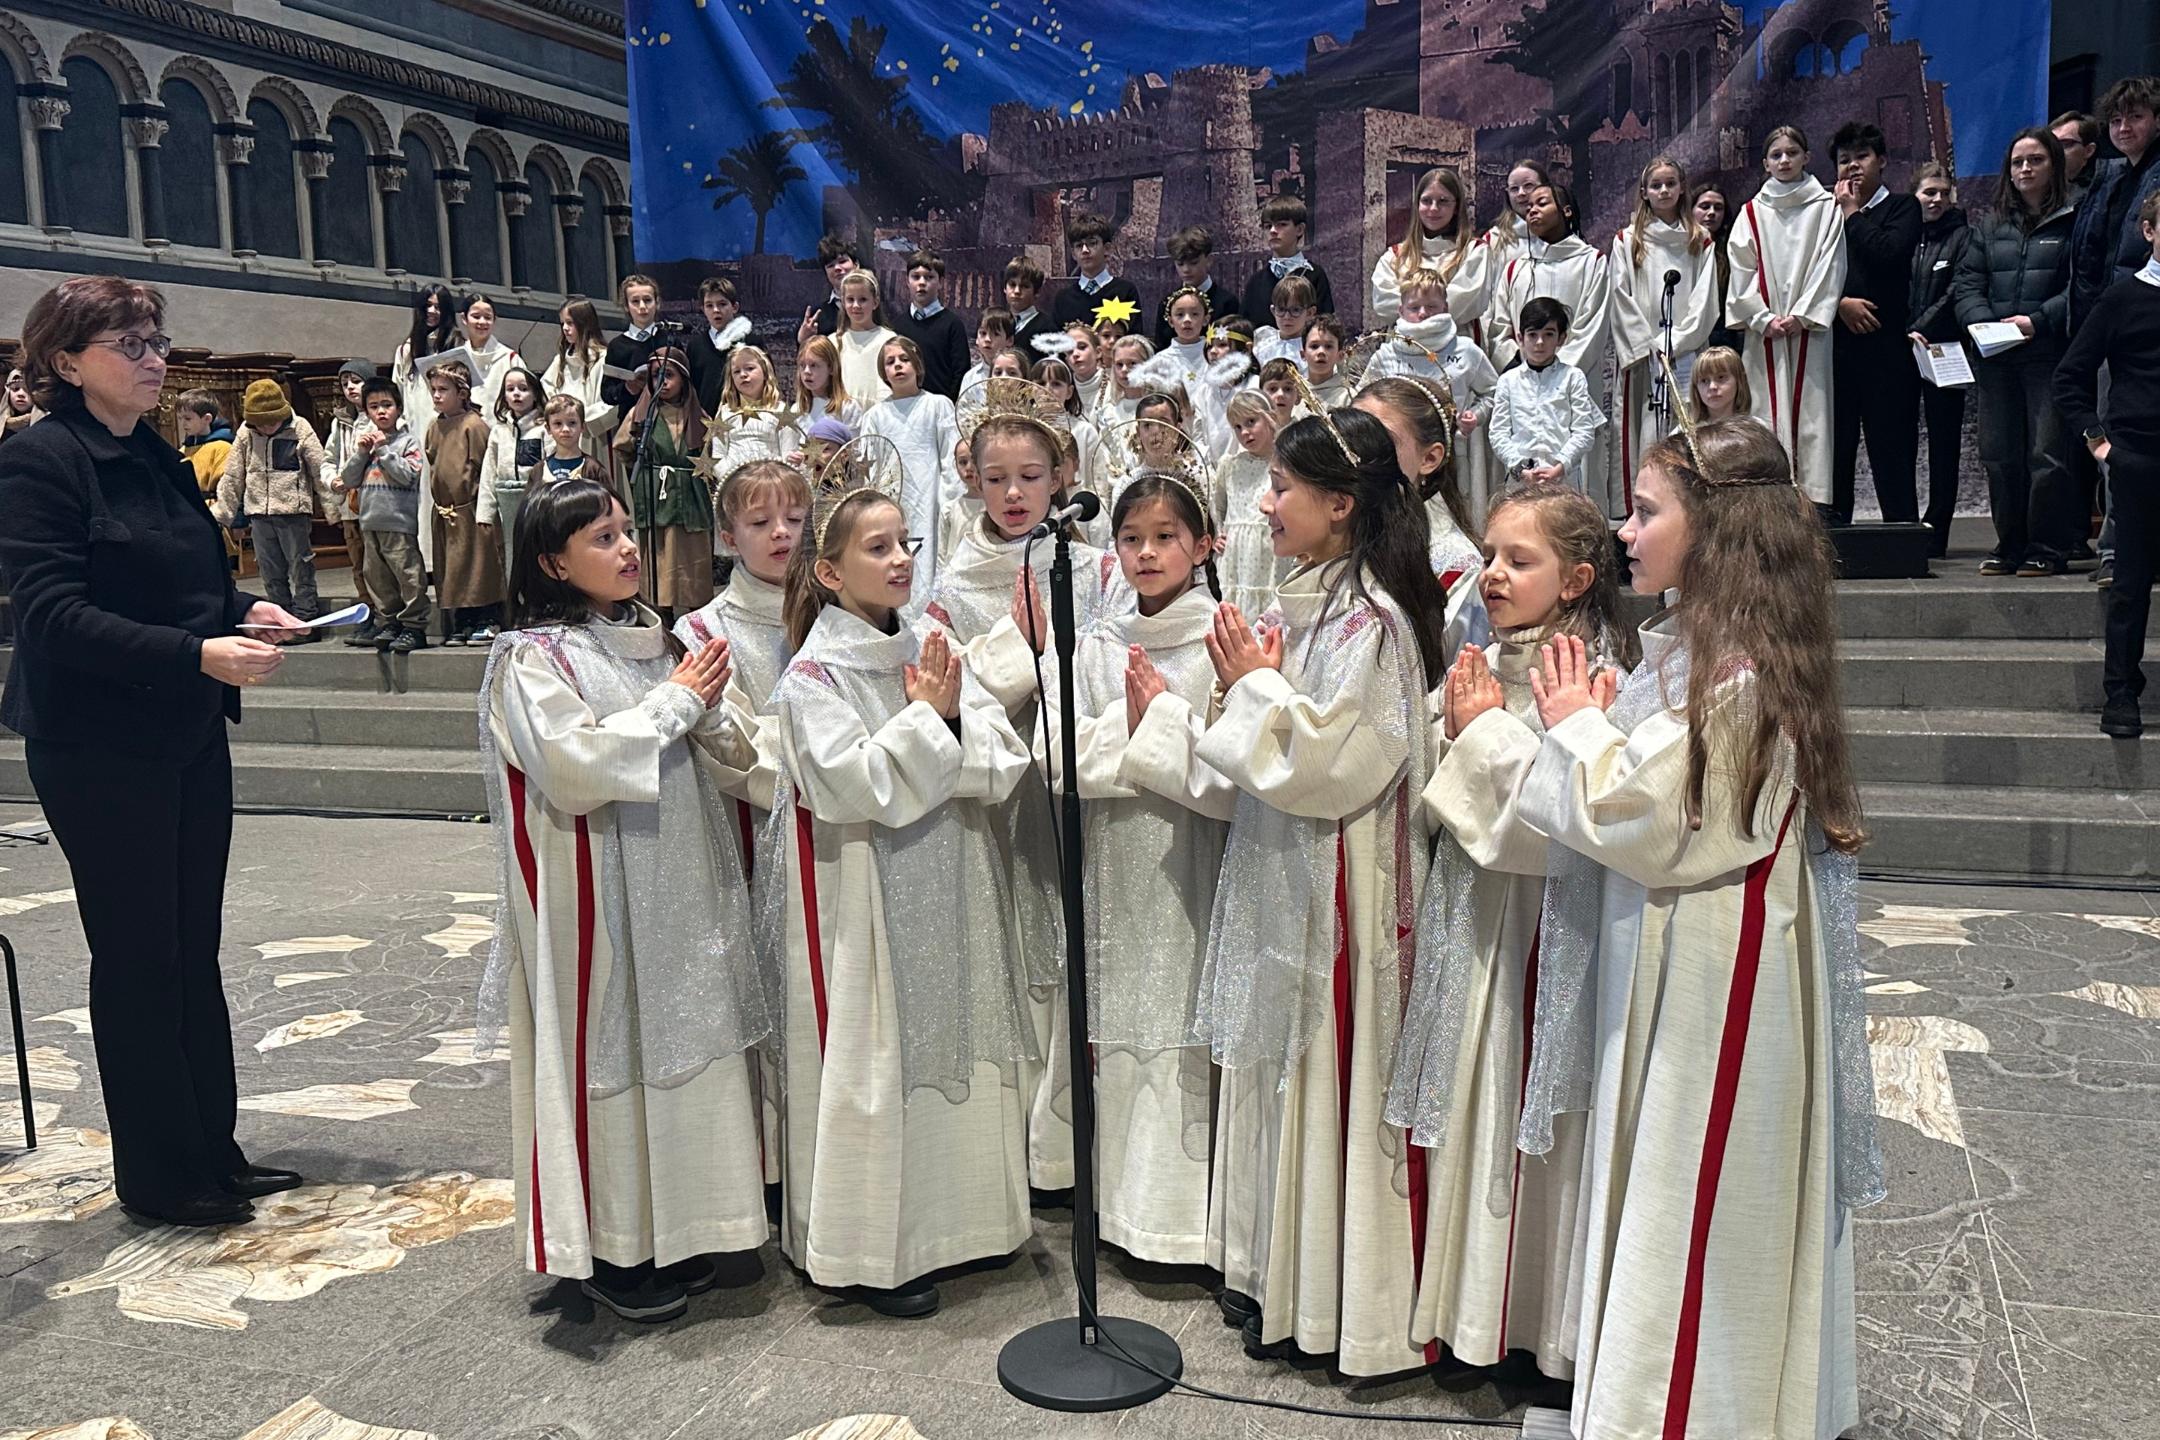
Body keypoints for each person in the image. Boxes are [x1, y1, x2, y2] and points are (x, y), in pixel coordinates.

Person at [1521, 417, 1880, 1440]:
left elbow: (1668, 826)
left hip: (1719, 969)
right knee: (1661, 1173)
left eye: (1646, 511)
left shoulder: (1743, 676)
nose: (1626, 532)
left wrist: (1574, 726)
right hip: (1681, 949)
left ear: (1717, 530)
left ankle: (1683, 1417)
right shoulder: (1695, 650)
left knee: (1698, 1187)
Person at [0, 275, 307, 1229]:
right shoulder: (41, 462)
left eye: (156, 340)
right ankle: (160, 1174)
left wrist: (235, 611)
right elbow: (51, 617)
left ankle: (211, 1148)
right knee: (138, 956)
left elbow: (177, 584)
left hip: (181, 729)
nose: (153, 357)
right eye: (129, 343)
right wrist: (196, 652)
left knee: (191, 948)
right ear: (65, 361)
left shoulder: (162, 457)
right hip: (96, 746)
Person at [479, 477, 773, 1323]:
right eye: (602, 539)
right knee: (610, 1053)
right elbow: (574, 769)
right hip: (596, 890)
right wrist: (681, 700)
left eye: (625, 530)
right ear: (551, 562)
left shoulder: (656, 640)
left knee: (682, 1043)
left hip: (678, 880)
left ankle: (686, 1225)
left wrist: (708, 712)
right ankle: (610, 1246)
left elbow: (719, 751)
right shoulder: (531, 657)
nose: (628, 548)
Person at [1194, 405, 1447, 1376]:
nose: (1266, 503)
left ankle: (1340, 1302)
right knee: (1279, 1066)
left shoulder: (1374, 623)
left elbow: (1334, 762)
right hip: (1286, 870)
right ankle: (1272, 1271)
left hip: (1345, 884)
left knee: (1329, 1070)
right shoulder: (1315, 602)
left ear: (1340, 506)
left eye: (1283, 488)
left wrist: (1254, 689)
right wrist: (1243, 690)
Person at [768, 476, 1034, 1319]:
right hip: (868, 900)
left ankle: (966, 1227)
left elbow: (1000, 753)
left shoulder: (930, 644)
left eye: (905, 543)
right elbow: (853, 787)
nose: (899, 561)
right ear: (832, 571)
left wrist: (943, 727)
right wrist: (930, 725)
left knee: (954, 1041)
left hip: (953, 872)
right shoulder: (814, 675)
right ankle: (874, 1250)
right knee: (879, 1055)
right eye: (877, 548)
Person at [1388, 480, 1633, 1381]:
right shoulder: (1493, 649)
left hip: (1540, 926)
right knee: (1472, 1094)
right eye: (1490, 555)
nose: (1491, 574)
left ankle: (1527, 1323)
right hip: (1477, 913)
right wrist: (1457, 729)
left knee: (1522, 1108)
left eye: (1517, 561)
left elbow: (1557, 824)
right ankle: (1467, 1311)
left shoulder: (1592, 674)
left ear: (1574, 579)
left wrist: (1480, 732)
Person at [923, 405, 1121, 1199]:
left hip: (1084, 781)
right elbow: (947, 689)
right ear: (969, 478)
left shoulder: (1097, 568)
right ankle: (1021, 1152)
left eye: (1031, 478)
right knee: (1016, 947)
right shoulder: (951, 584)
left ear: (1062, 478)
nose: (1013, 495)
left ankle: (1077, 1142)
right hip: (998, 791)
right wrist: (1013, 659)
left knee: (1076, 944)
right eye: (996, 478)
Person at [1059, 473, 1235, 1264]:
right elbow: (1055, 753)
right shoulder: (1096, 642)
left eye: (1166, 537)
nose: (1147, 552)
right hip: (1118, 859)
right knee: (1124, 1023)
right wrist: (1143, 737)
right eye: (1131, 538)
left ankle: (1192, 1222)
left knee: (1189, 1022)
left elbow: (1235, 768)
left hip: (1197, 860)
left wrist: (1160, 728)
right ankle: (1127, 1213)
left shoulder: (1226, 636)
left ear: (1203, 546)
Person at [2055, 189, 2160, 737]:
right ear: (2149, 232)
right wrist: (2101, 444)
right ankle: (2121, 692)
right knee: (2131, 582)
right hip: (2139, 458)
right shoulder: (2121, 299)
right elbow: (2069, 379)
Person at [1955, 127, 2079, 577]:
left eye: (2035, 160)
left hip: (2047, 354)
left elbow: (2081, 288)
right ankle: (2009, 546)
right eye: (2017, 162)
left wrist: (2037, 321)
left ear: (2054, 166)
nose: (2025, 169)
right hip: (1997, 358)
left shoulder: (2075, 217)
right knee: (1998, 455)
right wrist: (1982, 321)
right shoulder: (1990, 225)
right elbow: (1967, 285)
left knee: (2046, 455)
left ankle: (2047, 547)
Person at [1727, 126, 1848, 509]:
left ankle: (1810, 507)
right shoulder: (1751, 212)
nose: (1784, 161)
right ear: (1765, 163)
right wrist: (1763, 318)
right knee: (1762, 414)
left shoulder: (1826, 208)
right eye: (1776, 155)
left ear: (1806, 157)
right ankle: (1766, 503)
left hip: (1808, 331)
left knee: (1810, 416)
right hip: (1765, 332)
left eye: (1791, 153)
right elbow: (1741, 269)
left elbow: (1831, 265)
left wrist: (1802, 315)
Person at [1496, 183, 1616, 512]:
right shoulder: (1515, 268)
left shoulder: (1591, 262)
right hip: (1522, 380)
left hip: (1574, 380)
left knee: (1577, 488)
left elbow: (1592, 324)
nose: (1531, 209)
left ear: (1566, 211)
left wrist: (1555, 368)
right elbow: (1499, 325)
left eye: (1542, 203)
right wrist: (1524, 363)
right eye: (1528, 205)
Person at [1828, 121, 1924, 527]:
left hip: (1887, 350)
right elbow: (1808, 274)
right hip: (1837, 350)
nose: (1852, 168)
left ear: (1881, 161)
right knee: (1836, 451)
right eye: (1844, 161)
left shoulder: (1903, 207)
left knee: (1892, 449)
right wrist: (1838, 304)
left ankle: (1902, 535)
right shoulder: (1823, 215)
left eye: (1861, 158)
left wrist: (1852, 212)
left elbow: (1888, 254)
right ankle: (1834, 540)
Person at [1356, 376, 1487, 656]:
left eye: (1381, 440)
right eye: (1349, 435)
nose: (1355, 452)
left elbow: (1458, 683)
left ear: (1429, 459)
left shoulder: (1456, 566)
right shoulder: (1337, 532)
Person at [1611, 157, 1717, 491]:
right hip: (1644, 357)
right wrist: (1650, 344)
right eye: (1656, 185)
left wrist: (1678, 341)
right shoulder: (1628, 240)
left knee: (1686, 428)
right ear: (1644, 192)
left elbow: (1705, 298)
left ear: (1682, 187)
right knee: (1641, 431)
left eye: (1670, 183)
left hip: (1685, 354)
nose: (1664, 190)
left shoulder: (1699, 239)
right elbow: (1619, 295)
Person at [1358, 268, 1498, 518]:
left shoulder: (1466, 351)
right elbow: (1360, 402)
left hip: (1450, 456)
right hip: (1394, 457)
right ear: (1400, 311)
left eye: (1431, 307)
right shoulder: (1385, 355)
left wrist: (1475, 416)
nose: (1423, 314)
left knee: (1449, 518)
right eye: (1415, 307)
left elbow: (1494, 392)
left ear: (1445, 307)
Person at [211, 378, 333, 635]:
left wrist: (332, 507)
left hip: (293, 513)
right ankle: (281, 618)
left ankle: (306, 620)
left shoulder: (300, 428)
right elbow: (234, 474)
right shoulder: (246, 433)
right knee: (269, 569)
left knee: (300, 566)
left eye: (272, 422)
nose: (266, 428)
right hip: (258, 514)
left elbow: (320, 469)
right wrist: (223, 513)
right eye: (261, 423)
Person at [610, 345, 714, 617]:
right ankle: (662, 618)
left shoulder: (700, 417)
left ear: (683, 379)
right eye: (657, 375)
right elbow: (622, 447)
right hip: (655, 494)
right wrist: (648, 472)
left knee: (692, 562)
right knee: (659, 562)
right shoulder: (642, 414)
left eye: (669, 375)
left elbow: (713, 454)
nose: (662, 382)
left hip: (691, 496)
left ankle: (697, 620)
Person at [1906, 163, 1975, 557]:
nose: (1936, 199)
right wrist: (1904, 330)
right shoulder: (1905, 236)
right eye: (1928, 191)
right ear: (1914, 194)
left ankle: (1937, 530)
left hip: (1944, 349)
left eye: (1942, 192)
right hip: (1902, 348)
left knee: (1944, 444)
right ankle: (1903, 524)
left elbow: (1958, 289)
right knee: (1902, 442)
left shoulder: (1964, 237)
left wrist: (1922, 327)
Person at [860, 336, 960, 602]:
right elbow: (869, 467)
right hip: (892, 504)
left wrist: (950, 502)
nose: (898, 366)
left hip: (930, 501)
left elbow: (951, 458)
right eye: (890, 362)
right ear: (884, 373)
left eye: (904, 359)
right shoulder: (875, 416)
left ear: (917, 365)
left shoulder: (938, 405)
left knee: (929, 564)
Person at [336, 375, 430, 654]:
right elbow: (349, 479)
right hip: (369, 522)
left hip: (398, 523)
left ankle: (414, 626)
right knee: (377, 577)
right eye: (374, 406)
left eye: (387, 405)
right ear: (366, 411)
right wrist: (361, 453)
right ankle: (389, 621)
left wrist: (383, 449)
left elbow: (406, 475)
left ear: (398, 409)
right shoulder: (366, 446)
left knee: (408, 575)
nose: (381, 411)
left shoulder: (407, 442)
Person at [421, 356, 504, 644]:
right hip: (446, 512)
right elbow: (434, 461)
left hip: (470, 510)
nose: (436, 395)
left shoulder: (474, 425)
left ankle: (486, 617)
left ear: (462, 393)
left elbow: (486, 468)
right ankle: (462, 620)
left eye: (443, 390)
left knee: (478, 566)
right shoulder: (434, 426)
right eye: (433, 390)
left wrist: (484, 509)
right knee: (453, 569)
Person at [1489, 297, 1604, 496]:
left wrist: (1560, 466)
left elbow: (1584, 431)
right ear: (1520, 338)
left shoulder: (1573, 377)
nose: (1540, 342)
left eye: (1548, 334)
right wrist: (1520, 469)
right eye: (1532, 334)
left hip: (1563, 480)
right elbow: (1498, 433)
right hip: (1521, 482)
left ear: (1561, 338)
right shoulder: (1508, 380)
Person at [2069, 77, 2160, 324]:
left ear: (2158, 120)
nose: (2123, 128)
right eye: (2115, 121)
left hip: (2145, 320)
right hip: (2106, 316)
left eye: (2135, 117)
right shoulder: (2109, 179)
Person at [1453, 158, 1553, 364]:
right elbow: (1487, 304)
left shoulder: (1564, 242)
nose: (1522, 193)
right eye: (1514, 188)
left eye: (1529, 186)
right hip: (1511, 350)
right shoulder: (1494, 242)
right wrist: (1506, 353)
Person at [1210, 390, 1289, 618]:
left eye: (1251, 422)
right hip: (1236, 558)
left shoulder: (1284, 463)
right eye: (1237, 427)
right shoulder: (1230, 466)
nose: (1245, 432)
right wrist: (1218, 534)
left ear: (1270, 417)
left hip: (1271, 554)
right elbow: (1219, 508)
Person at [1371, 166, 1476, 328]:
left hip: (1456, 347)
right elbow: (1383, 304)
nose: (1433, 208)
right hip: (1405, 347)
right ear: (1417, 205)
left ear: (1456, 207)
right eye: (1426, 201)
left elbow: (1462, 303)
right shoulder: (1395, 256)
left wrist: (1412, 308)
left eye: (1443, 201)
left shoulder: (1474, 252)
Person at [319, 359, 378, 627]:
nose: (351, 388)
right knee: (357, 562)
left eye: (356, 381)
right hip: (348, 505)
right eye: (345, 383)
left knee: (377, 562)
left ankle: (385, 613)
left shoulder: (378, 416)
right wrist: (332, 480)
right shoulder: (340, 421)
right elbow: (328, 459)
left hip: (374, 502)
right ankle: (367, 610)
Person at [477, 365, 550, 577]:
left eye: (523, 388)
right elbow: (489, 472)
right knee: (512, 556)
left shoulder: (543, 429)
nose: (516, 393)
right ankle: (516, 605)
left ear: (536, 394)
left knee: (539, 554)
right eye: (510, 389)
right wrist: (485, 513)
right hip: (507, 504)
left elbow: (550, 466)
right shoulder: (499, 432)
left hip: (536, 501)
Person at [890, 250, 972, 402]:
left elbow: (961, 372)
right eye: (916, 277)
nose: (922, 282)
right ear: (907, 281)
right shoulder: (898, 326)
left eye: (929, 277)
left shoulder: (952, 324)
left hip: (941, 408)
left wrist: (947, 404)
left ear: (941, 281)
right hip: (904, 406)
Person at [1240, 194, 1334, 325]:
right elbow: (1246, 327)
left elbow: (1325, 323)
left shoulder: (1315, 276)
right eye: (1268, 226)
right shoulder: (1256, 282)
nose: (1273, 231)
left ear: (1300, 229)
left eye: (1282, 224)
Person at [543, 299, 617, 463]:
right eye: (562, 323)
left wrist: (579, 421)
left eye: (570, 323)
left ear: (585, 324)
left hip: (593, 437)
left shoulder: (603, 359)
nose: (565, 328)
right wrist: (560, 416)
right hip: (564, 432)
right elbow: (546, 389)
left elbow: (612, 402)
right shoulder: (560, 361)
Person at [1049, 211, 1143, 331]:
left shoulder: (1125, 291)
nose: (1085, 250)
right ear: (1073, 254)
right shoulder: (1063, 298)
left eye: (1092, 243)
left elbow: (1134, 340)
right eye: (1079, 246)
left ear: (1107, 248)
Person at [1691, 181, 1746, 355]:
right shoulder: (1679, 249)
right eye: (1704, 207)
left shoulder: (1732, 249)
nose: (1712, 213)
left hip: (1724, 337)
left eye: (1718, 208)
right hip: (1688, 335)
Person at [832, 269, 899, 409]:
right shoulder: (833, 342)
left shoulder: (888, 339)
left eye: (862, 299)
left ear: (875, 302)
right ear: (843, 302)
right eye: (850, 299)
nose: (856, 306)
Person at [600, 273, 666, 414]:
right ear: (626, 306)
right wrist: (627, 388)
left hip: (666, 415)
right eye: (635, 301)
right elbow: (607, 393)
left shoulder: (668, 340)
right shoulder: (617, 346)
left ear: (657, 303)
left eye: (648, 300)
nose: (642, 307)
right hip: (630, 420)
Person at [686, 277, 750, 416]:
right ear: (703, 309)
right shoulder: (695, 346)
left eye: (722, 304)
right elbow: (691, 388)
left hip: (744, 421)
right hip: (706, 423)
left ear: (734, 307)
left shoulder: (751, 342)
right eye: (709, 305)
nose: (716, 310)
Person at [1156, 226, 1225, 350]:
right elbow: (1161, 347)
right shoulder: (1167, 304)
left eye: (1194, 263)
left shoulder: (1226, 303)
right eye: (1180, 264)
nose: (1186, 270)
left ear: (1209, 260)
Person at [459, 294, 522, 420]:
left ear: (494, 320)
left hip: (502, 431)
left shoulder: (509, 358)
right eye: (476, 316)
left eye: (488, 317)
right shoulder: (457, 358)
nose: (482, 322)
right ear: (464, 318)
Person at [795, 231, 859, 341]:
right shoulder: (816, 317)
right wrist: (803, 341)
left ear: (856, 265)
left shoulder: (875, 306)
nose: (837, 268)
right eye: (831, 265)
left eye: (842, 261)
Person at [791, 333, 860, 432]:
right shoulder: (797, 410)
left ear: (831, 368)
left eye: (813, 365)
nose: (806, 371)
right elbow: (790, 446)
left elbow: (854, 445)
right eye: (802, 365)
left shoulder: (848, 408)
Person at [175, 388, 233, 496]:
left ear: (207, 419)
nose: (183, 424)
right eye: (180, 418)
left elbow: (227, 488)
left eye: (188, 419)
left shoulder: (222, 448)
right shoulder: (183, 451)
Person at [1254, 275, 1316, 371]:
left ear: (1309, 313)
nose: (1287, 317)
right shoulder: (1263, 341)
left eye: (1295, 310)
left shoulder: (1314, 346)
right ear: (1273, 310)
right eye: (1281, 309)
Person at [1687, 345, 1753, 424]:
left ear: (1739, 381)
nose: (1712, 387)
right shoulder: (1685, 432)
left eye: (1721, 377)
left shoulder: (1756, 428)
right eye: (1704, 381)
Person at [1004, 255, 1054, 358]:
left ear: (1037, 292)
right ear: (1004, 288)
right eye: (1012, 285)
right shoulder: (997, 322)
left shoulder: (1047, 328)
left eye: (1025, 286)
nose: (1017, 291)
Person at [960, 308, 1016, 400]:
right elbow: (962, 411)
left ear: (1009, 340)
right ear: (977, 339)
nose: (987, 339)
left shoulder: (1016, 374)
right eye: (983, 333)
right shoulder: (970, 377)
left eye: (996, 334)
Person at [2052, 110, 2101, 206]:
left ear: (2089, 150)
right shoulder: (2038, 189)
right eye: (2051, 144)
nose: (2055, 151)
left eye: (2065, 144)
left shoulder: (2102, 193)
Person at [1303, 315, 1352, 409]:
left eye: (1328, 346)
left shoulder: (1348, 398)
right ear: (1303, 354)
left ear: (1340, 355)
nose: (1321, 352)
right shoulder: (1293, 394)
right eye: (1314, 346)